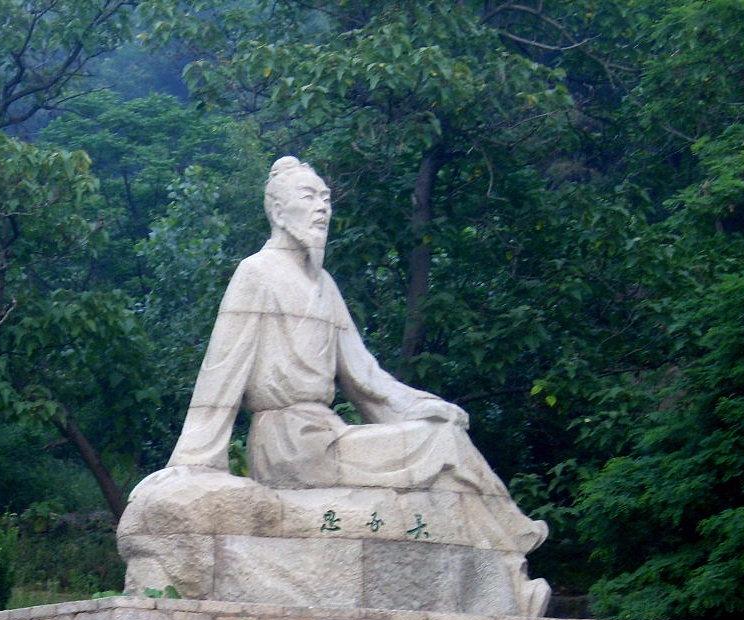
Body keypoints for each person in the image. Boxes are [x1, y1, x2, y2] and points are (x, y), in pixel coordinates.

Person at [166, 156, 545, 553]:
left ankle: (498, 551)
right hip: (289, 446)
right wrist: (196, 458)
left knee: (441, 433)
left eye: (327, 199)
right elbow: (222, 371)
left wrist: (421, 406)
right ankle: (510, 535)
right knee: (442, 445)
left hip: (328, 433)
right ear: (278, 211)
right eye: (309, 197)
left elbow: (365, 374)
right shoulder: (256, 272)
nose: (322, 208)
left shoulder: (325, 285)